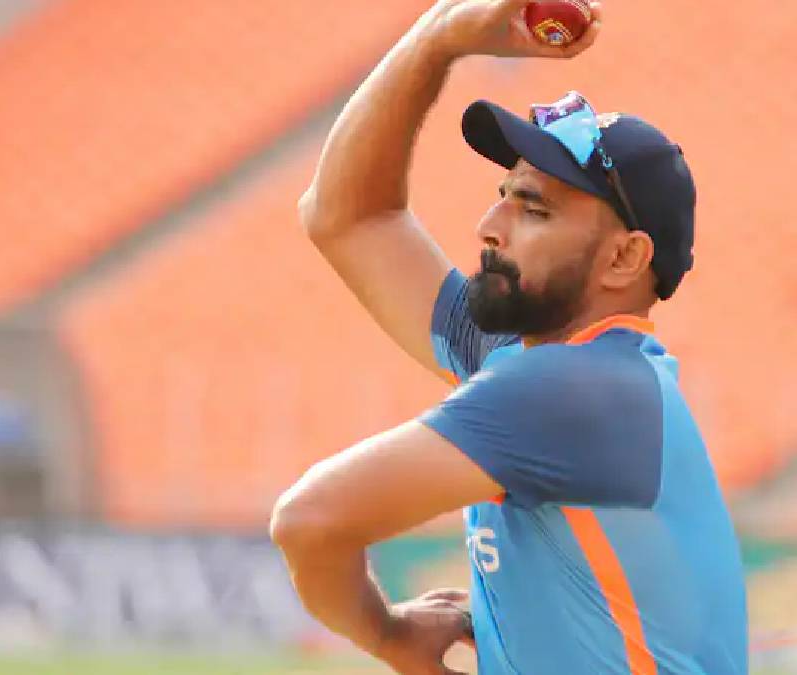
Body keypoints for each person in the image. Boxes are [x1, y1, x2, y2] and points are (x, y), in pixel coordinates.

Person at [269, 1, 747, 673]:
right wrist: (436, 40)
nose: (489, 226)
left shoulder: (570, 390)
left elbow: (310, 521)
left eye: (533, 209)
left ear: (623, 259)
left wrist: (389, 636)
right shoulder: (545, 365)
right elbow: (348, 217)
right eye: (504, 194)